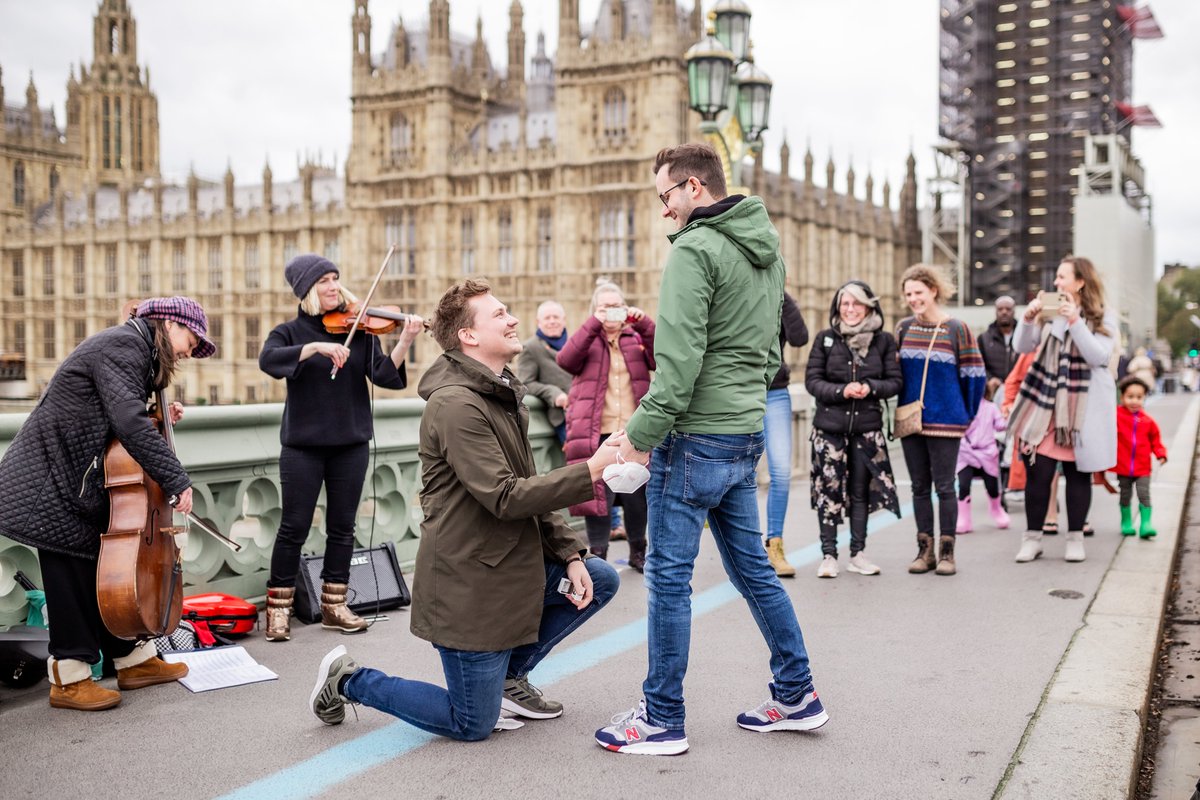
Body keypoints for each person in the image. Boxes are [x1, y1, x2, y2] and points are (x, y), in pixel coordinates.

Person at [308, 279, 621, 741]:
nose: (514, 319)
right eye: (499, 315)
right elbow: (507, 496)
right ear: (468, 336)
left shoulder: (500, 392)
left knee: (601, 578)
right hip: (469, 586)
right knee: (471, 722)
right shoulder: (456, 404)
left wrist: (571, 556)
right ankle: (349, 679)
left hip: (506, 568)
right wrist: (591, 469)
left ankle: (510, 679)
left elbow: (528, 481)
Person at [595, 143, 827, 756]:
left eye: (665, 196)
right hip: (743, 431)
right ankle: (797, 692)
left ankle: (661, 717)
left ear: (694, 188)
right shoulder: (766, 250)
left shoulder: (695, 250)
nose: (663, 210)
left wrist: (637, 437)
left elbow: (676, 370)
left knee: (669, 580)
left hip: (695, 437)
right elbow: (770, 355)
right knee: (753, 569)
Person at [0, 297, 216, 710]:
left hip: (76, 479)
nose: (191, 351)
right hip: (50, 482)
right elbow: (127, 421)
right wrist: (176, 479)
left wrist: (160, 413)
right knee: (70, 581)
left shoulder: (136, 348)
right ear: (170, 325)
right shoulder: (124, 346)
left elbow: (115, 412)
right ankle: (69, 679)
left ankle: (133, 661)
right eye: (192, 338)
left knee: (105, 575)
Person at [258, 254, 424, 642]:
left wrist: (405, 339)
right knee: (293, 527)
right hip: (303, 446)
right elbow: (268, 360)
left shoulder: (361, 328)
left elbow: (385, 376)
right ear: (306, 290)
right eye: (323, 281)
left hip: (351, 443)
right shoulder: (289, 332)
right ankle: (277, 611)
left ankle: (334, 605)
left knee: (342, 527)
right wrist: (315, 347)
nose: (333, 286)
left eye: (335, 278)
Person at [1009, 255, 1117, 563]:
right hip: (1046, 407)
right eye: (1056, 277)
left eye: (1062, 277)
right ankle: (1032, 538)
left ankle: (1075, 539)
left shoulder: (1102, 316)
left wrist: (1075, 321)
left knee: (1078, 475)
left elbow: (1098, 356)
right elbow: (1023, 347)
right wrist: (1029, 318)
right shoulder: (1050, 312)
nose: (1056, 283)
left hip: (1081, 411)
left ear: (1080, 281)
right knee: (1038, 474)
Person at [805, 281, 901, 579]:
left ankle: (857, 553)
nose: (849, 309)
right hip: (830, 430)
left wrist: (870, 387)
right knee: (828, 492)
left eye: (856, 304)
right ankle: (829, 555)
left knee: (861, 492)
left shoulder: (883, 341)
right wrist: (841, 391)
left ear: (869, 307)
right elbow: (813, 381)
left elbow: (895, 382)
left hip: (866, 429)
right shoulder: (825, 339)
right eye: (844, 304)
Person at [556, 280, 655, 571]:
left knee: (637, 496)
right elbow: (566, 359)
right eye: (604, 307)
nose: (610, 313)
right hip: (595, 431)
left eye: (615, 307)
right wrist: (593, 323)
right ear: (594, 311)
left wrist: (645, 324)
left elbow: (660, 356)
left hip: (634, 431)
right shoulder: (588, 339)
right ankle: (598, 557)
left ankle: (639, 551)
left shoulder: (634, 338)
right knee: (596, 495)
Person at [896, 264, 986, 576]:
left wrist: (967, 413)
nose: (913, 299)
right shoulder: (903, 328)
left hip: (947, 421)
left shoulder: (957, 329)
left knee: (945, 487)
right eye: (908, 294)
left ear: (933, 290)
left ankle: (948, 553)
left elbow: (974, 374)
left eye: (918, 292)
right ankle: (925, 551)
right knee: (919, 487)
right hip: (911, 421)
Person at [762, 291, 809, 577]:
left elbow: (800, 337)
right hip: (736, 390)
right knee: (737, 471)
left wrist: (780, 292)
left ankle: (775, 543)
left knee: (781, 472)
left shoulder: (777, 296)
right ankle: (743, 547)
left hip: (776, 391)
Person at [1112, 375, 1167, 538]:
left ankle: (1145, 524)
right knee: (1125, 494)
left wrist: (1161, 454)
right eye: (1130, 397)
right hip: (1122, 466)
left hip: (1143, 467)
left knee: (1144, 494)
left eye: (1139, 397)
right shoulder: (1115, 416)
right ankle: (1126, 522)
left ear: (1144, 398)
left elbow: (1156, 441)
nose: (1134, 401)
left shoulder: (1147, 421)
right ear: (1122, 397)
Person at [955, 377, 1010, 532]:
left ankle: (997, 510)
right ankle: (963, 519)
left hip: (987, 453)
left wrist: (1009, 417)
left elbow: (1000, 425)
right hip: (965, 453)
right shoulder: (962, 408)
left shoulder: (991, 408)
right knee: (963, 486)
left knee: (992, 487)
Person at [516, 300, 572, 445]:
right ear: (538, 322)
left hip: (587, 413)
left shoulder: (574, 344)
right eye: (547, 318)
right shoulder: (530, 348)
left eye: (556, 317)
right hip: (562, 418)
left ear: (564, 320)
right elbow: (524, 383)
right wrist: (553, 393)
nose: (552, 321)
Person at [978, 295, 1018, 383]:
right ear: (995, 312)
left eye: (1008, 309)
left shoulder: (1022, 337)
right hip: (994, 391)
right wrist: (990, 379)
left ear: (1014, 311)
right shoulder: (984, 339)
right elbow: (978, 364)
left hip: (1018, 390)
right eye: (1000, 309)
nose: (1004, 312)